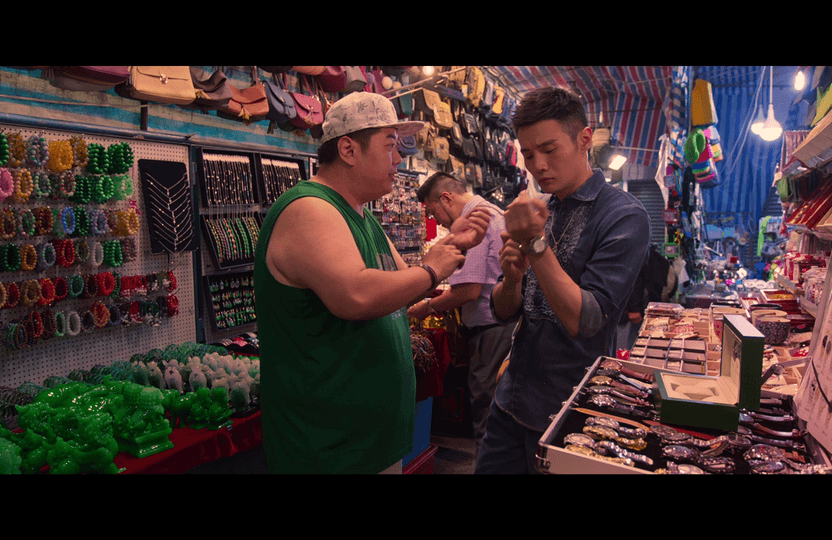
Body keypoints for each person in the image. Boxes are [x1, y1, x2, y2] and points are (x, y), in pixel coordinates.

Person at [253, 92, 492, 474]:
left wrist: (452, 244)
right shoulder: (310, 209)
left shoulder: (360, 216)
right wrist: (432, 270)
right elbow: (356, 296)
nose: (399, 159)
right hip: (329, 449)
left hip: (368, 442)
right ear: (348, 149)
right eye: (389, 145)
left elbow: (403, 284)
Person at [475, 87, 651, 474]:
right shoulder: (542, 208)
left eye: (549, 149)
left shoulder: (624, 215)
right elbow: (503, 311)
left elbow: (586, 321)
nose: (538, 165)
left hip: (570, 412)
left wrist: (536, 246)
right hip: (510, 402)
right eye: (528, 154)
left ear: (584, 139)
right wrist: (512, 280)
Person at [409, 172, 515, 457]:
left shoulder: (474, 220)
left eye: (433, 212)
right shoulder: (491, 211)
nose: (436, 221)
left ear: (446, 198)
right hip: (498, 326)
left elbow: (468, 290)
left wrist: (426, 307)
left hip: (491, 329)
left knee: (486, 410)